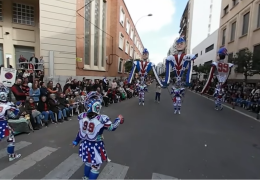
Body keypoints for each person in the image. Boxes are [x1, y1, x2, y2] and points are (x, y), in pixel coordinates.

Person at [72, 91, 124, 180]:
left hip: (85, 144)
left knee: (88, 163)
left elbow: (80, 132)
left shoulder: (82, 116)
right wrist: (118, 120)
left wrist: (76, 141)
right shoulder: (101, 119)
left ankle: (85, 178)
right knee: (95, 166)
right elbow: (112, 127)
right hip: (96, 145)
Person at [0, 91, 21, 161]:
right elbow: (13, 115)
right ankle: (12, 155)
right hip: (3, 125)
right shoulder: (7, 106)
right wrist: (17, 107)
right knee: (11, 139)